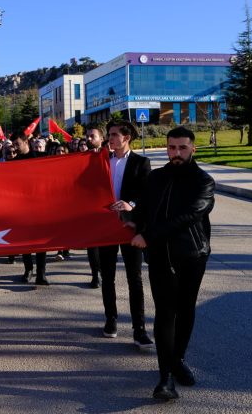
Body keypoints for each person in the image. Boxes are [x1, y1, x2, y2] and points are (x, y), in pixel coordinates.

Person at [128, 126, 215, 400]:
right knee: (165, 313)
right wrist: (130, 218)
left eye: (182, 148)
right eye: (172, 148)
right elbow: (143, 208)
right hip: (161, 258)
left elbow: (188, 216)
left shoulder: (204, 181)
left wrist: (148, 235)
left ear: (193, 149)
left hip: (192, 256)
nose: (176, 153)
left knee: (185, 310)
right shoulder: (156, 177)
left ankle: (177, 360)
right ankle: (165, 378)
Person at [98, 119, 154, 349]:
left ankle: (139, 329)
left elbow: (147, 194)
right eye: (108, 135)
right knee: (107, 276)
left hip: (130, 226)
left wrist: (131, 204)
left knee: (135, 278)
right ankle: (111, 319)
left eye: (113, 135)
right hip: (105, 227)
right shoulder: (101, 161)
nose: (109, 138)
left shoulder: (142, 162)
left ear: (126, 137)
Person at [11, 133, 48, 285]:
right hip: (22, 207)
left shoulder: (42, 158)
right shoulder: (13, 163)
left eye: (17, 144)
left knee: (41, 242)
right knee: (25, 241)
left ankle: (41, 273)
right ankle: (28, 269)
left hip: (40, 206)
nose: (15, 148)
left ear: (26, 141)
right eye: (13, 145)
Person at [85, 125, 106, 288]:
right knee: (92, 244)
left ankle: (104, 270)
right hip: (89, 206)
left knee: (106, 242)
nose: (89, 139)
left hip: (107, 206)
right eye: (87, 136)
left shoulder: (110, 156)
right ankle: (95, 274)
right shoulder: (81, 157)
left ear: (101, 139)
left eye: (93, 136)